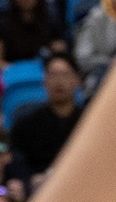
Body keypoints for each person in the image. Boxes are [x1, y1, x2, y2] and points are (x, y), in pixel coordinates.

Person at [9, 52, 85, 182]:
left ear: (76, 80)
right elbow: (16, 165)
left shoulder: (89, 123)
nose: (59, 81)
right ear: (44, 81)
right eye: (53, 75)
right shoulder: (27, 125)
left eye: (65, 75)